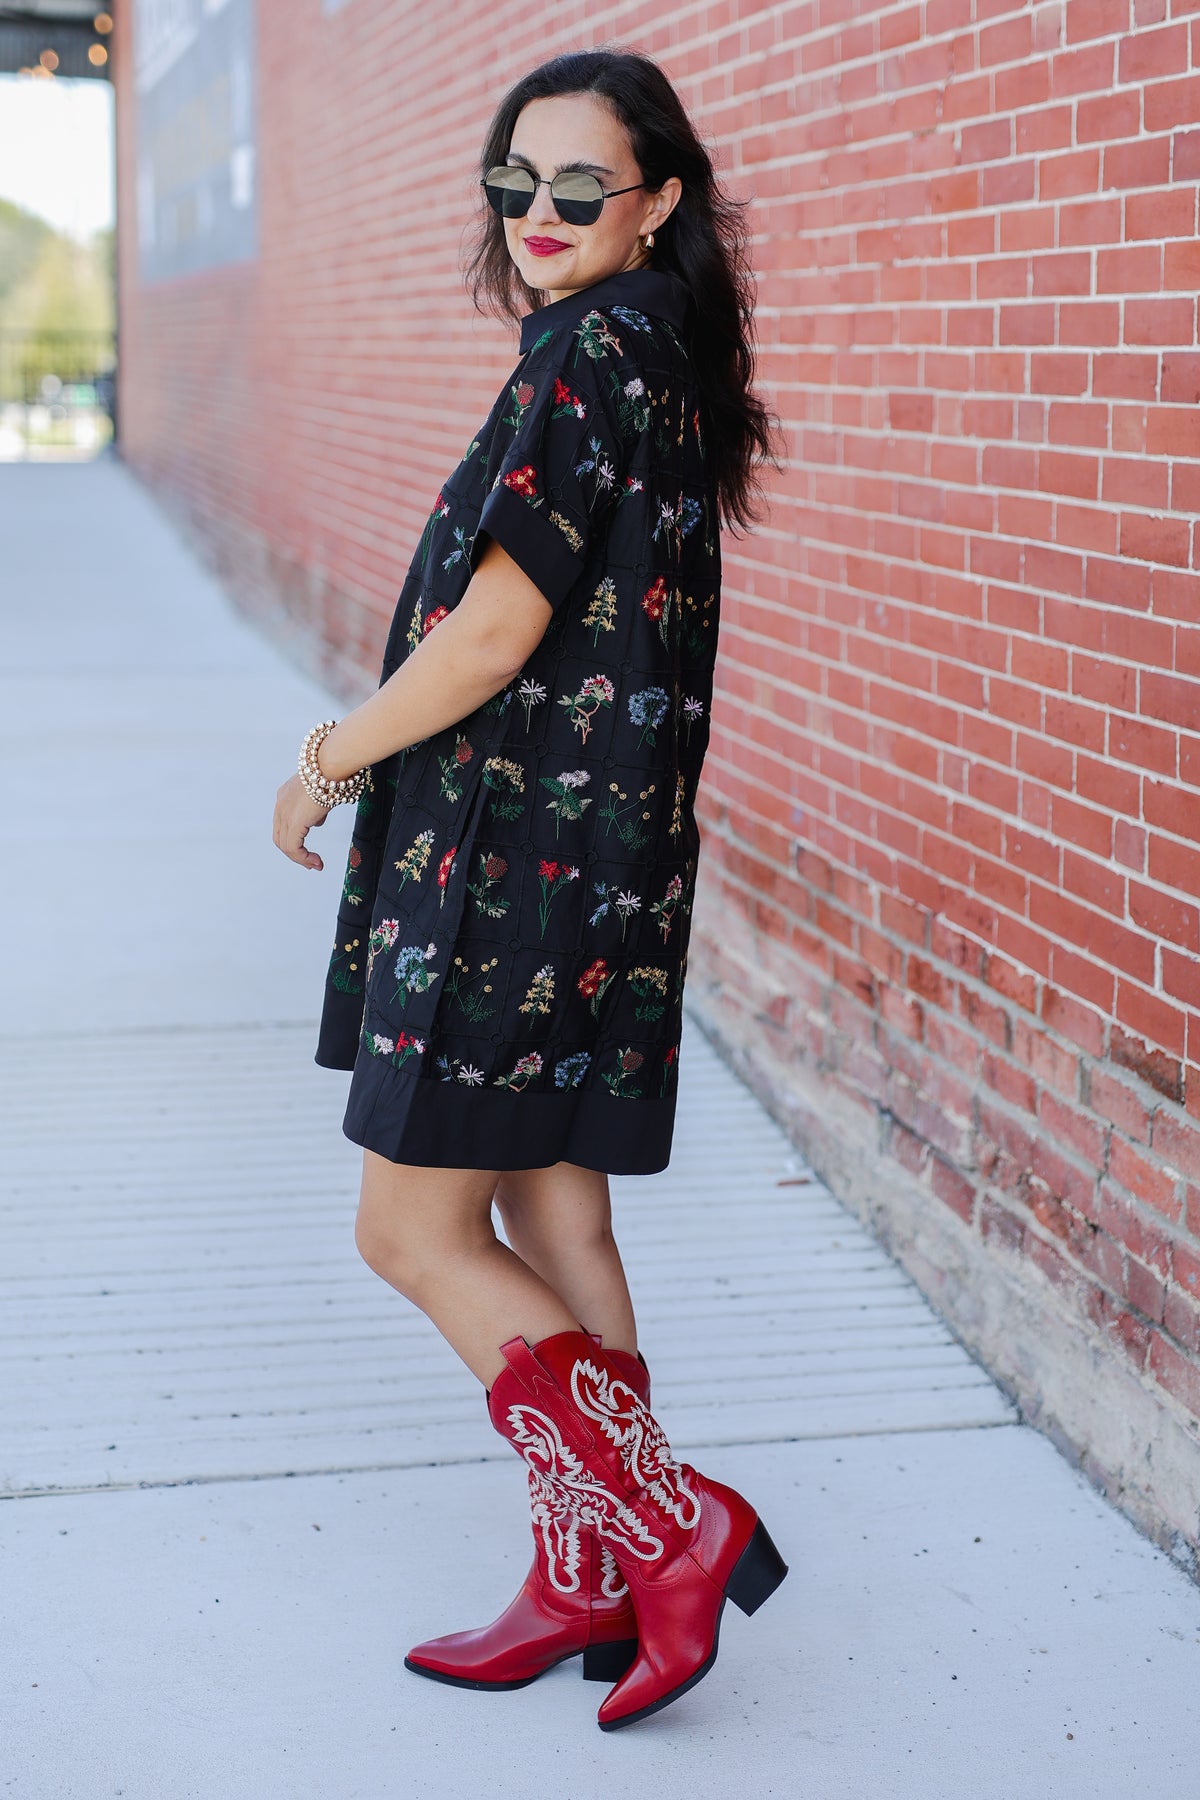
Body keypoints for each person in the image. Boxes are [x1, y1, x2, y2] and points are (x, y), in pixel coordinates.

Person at [272, 46, 783, 1731]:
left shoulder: (587, 358)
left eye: (582, 187)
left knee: (411, 1227)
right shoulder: (664, 359)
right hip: (609, 867)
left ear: (659, 201)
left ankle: (665, 1527)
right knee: (558, 1214)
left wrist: (335, 752)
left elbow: (498, 628)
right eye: (517, 183)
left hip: (517, 865)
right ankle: (596, 1581)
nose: (542, 216)